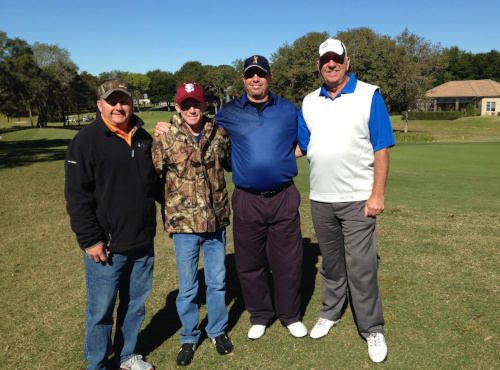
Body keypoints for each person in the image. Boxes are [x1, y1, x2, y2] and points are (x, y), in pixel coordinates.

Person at [156, 55, 306, 340]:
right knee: (249, 263)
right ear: (244, 80)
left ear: (270, 77)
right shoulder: (229, 112)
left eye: (261, 74)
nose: (255, 79)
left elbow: (306, 141)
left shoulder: (289, 110)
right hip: (247, 198)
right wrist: (168, 126)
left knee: (288, 261)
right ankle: (260, 315)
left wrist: (283, 158)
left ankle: (290, 315)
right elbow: (198, 125)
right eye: (250, 75)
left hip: (284, 196)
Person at [296, 39, 394, 363]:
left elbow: (382, 145)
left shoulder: (369, 95)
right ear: (319, 65)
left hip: (357, 199)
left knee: (362, 266)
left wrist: (377, 193)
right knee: (332, 263)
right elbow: (302, 146)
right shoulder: (309, 102)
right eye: (325, 60)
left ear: (347, 61)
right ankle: (331, 311)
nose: (331, 64)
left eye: (336, 59)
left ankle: (372, 328)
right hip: (320, 199)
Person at [65, 79, 157, 370]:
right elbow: (77, 196)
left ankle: (127, 355)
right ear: (100, 105)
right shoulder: (86, 140)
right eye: (112, 101)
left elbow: (154, 184)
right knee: (100, 310)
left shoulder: (143, 137)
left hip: (142, 241)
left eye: (124, 100)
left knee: (135, 305)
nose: (119, 106)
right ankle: (97, 364)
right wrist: (90, 239)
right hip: (106, 245)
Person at [152, 82, 233, 366]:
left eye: (195, 103)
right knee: (187, 288)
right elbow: (151, 177)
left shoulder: (219, 134)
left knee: (217, 282)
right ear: (177, 107)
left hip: (215, 224)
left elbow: (233, 164)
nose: (191, 109)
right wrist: (172, 206)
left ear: (204, 105)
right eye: (185, 104)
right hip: (183, 227)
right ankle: (188, 336)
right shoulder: (165, 137)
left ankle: (218, 330)